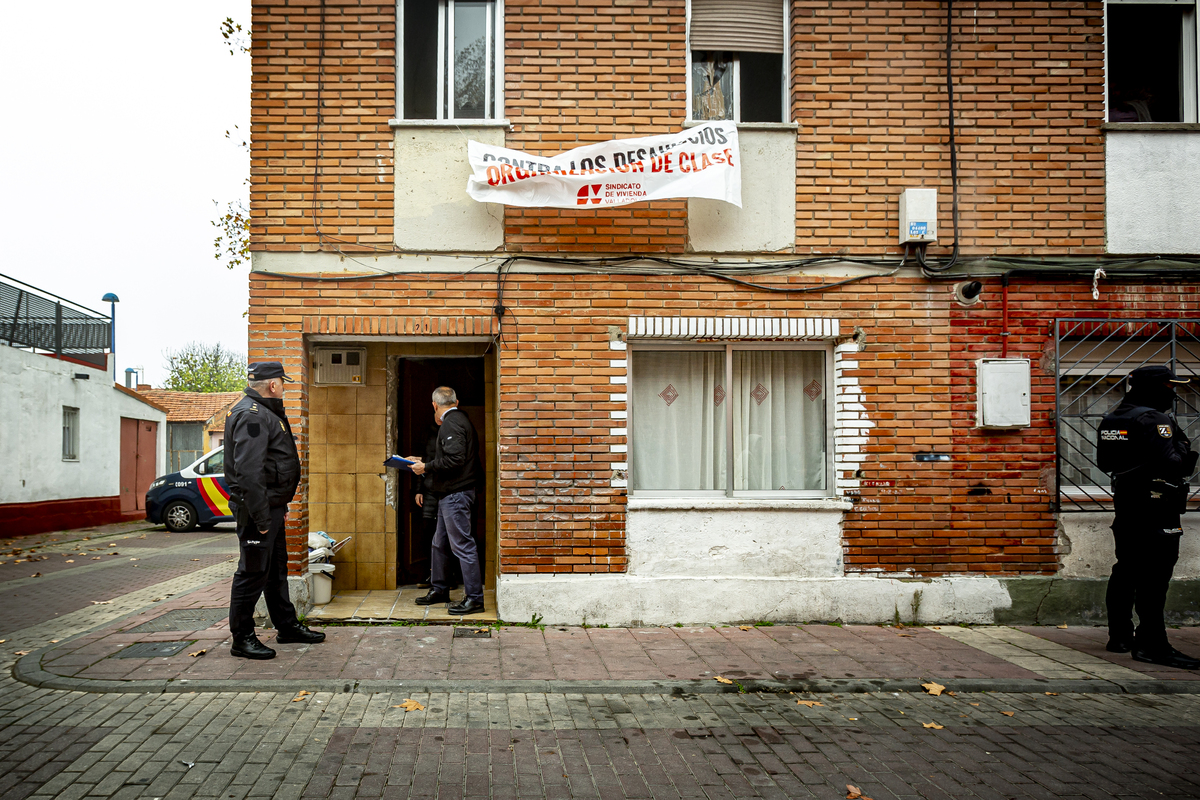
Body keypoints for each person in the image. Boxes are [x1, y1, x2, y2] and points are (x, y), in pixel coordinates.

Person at [1098, 364, 1199, 669]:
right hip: (1156, 503)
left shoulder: (1113, 418)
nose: (1174, 392)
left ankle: (1120, 636)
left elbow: (1105, 462)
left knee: (1126, 568)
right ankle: (1153, 645)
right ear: (1156, 387)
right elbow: (1173, 463)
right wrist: (1183, 448)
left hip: (1127, 502)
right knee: (1156, 574)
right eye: (1170, 386)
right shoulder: (1154, 418)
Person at [225, 362, 326, 659]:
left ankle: (287, 626)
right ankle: (241, 638)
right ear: (273, 385)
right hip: (259, 512)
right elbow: (248, 471)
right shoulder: (251, 415)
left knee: (276, 571)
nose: (283, 387)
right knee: (252, 573)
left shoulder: (265, 412)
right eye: (282, 382)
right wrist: (261, 517)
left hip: (271, 508)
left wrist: (278, 506)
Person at [409, 386, 484, 615]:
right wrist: (423, 461)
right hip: (449, 494)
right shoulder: (460, 421)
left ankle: (474, 599)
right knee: (439, 544)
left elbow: (456, 459)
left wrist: (426, 467)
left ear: (434, 405)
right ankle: (439, 589)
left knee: (462, 545)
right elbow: (451, 456)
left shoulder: (452, 422)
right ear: (456, 401)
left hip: (455, 495)